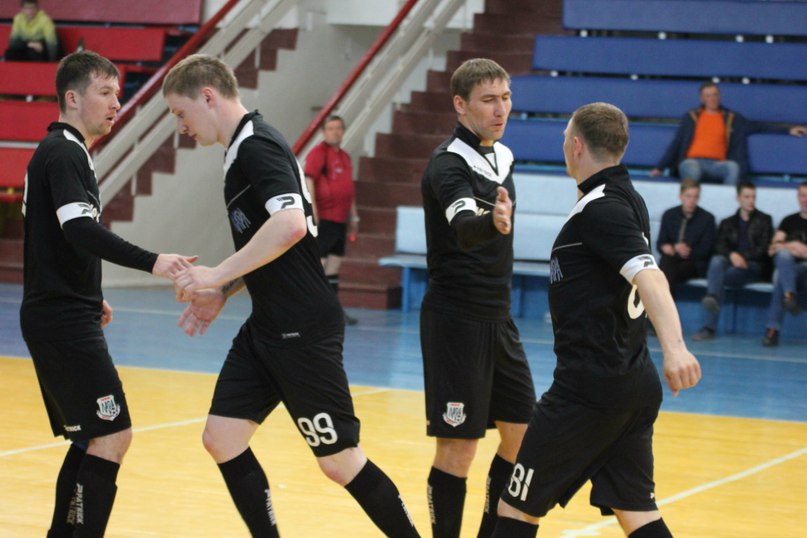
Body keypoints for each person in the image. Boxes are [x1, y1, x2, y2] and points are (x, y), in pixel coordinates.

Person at [162, 54, 419, 537]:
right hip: (268, 325)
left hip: (302, 328)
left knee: (340, 462)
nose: (181, 126)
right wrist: (225, 288)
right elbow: (275, 241)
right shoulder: (240, 149)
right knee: (222, 438)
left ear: (208, 97)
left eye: (180, 112)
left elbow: (291, 225)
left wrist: (216, 273)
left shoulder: (257, 145)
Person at [490, 102, 702, 538]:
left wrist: (676, 348)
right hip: (629, 382)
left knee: (515, 507)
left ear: (576, 145)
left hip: (588, 389)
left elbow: (650, 276)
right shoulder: (626, 199)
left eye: (564, 138)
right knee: (636, 511)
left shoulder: (602, 209)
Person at [19, 50, 195, 537]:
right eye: (105, 92)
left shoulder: (62, 151)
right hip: (61, 321)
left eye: (118, 92)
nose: (117, 102)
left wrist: (87, 291)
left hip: (62, 312)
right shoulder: (64, 152)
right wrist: (155, 261)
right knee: (113, 436)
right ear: (72, 98)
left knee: (91, 438)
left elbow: (51, 238)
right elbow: (78, 229)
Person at [420, 57, 536, 538]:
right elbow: (464, 226)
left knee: (522, 436)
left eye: (505, 97)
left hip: (498, 318)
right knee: (459, 449)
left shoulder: (502, 156)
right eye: (488, 100)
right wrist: (492, 222)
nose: (500, 109)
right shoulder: (448, 164)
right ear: (460, 105)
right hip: (456, 321)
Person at [650, 81, 806, 185]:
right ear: (702, 98)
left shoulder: (731, 118)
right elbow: (676, 143)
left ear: (720, 96)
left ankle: (726, 206)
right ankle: (691, 204)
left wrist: (788, 129)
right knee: (691, 167)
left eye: (715, 94)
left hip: (718, 164)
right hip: (693, 161)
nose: (713, 98)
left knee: (733, 167)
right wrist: (660, 168)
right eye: (708, 95)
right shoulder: (691, 117)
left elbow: (757, 126)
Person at [692, 181, 773, 341]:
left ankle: (709, 325)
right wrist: (732, 255)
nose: (751, 200)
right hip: (731, 265)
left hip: (754, 266)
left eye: (753, 197)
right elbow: (719, 245)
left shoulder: (765, 220)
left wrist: (743, 257)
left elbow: (763, 249)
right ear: (738, 198)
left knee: (718, 277)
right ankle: (712, 297)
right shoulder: (727, 222)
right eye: (747, 197)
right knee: (717, 261)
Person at [303, 114, 360, 325]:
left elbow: (348, 189)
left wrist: (354, 215)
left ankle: (333, 311)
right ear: (324, 132)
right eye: (331, 128)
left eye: (338, 128)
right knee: (320, 265)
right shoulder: (318, 153)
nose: (335, 132)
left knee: (334, 265)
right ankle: (310, 311)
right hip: (324, 218)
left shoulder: (345, 157)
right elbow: (309, 180)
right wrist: (313, 210)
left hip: (340, 220)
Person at [761, 181, 807, 346]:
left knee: (782, 274)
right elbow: (773, 248)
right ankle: (790, 295)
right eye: (802, 195)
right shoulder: (789, 221)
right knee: (783, 258)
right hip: (790, 270)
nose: (805, 200)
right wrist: (795, 246)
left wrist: (793, 247)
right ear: (798, 197)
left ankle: (772, 330)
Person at [656, 178, 716, 297]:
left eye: (695, 197)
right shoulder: (669, 215)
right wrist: (672, 248)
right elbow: (661, 243)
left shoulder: (707, 219)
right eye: (688, 196)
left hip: (694, 263)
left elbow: (706, 250)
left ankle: (660, 304)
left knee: (667, 270)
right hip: (671, 259)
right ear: (681, 196)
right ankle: (666, 304)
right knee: (667, 263)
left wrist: (684, 250)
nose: (692, 201)